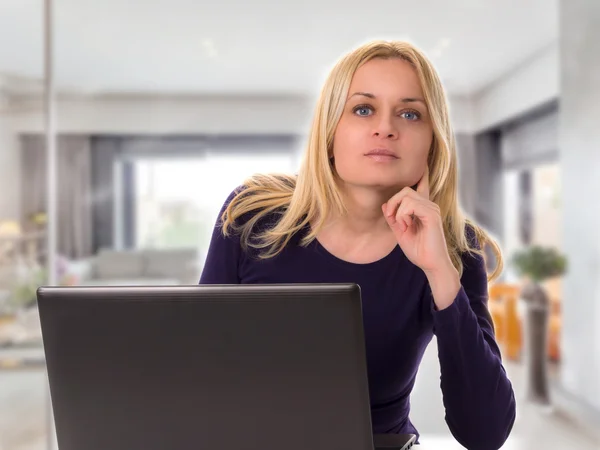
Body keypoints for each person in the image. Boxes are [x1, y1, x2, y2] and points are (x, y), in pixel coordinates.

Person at [200, 40, 516, 449]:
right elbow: (200, 363)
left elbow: (485, 433)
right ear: (330, 131)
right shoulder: (251, 214)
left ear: (433, 143)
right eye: (363, 109)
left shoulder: (454, 246)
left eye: (410, 113)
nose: (385, 127)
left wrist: (441, 275)